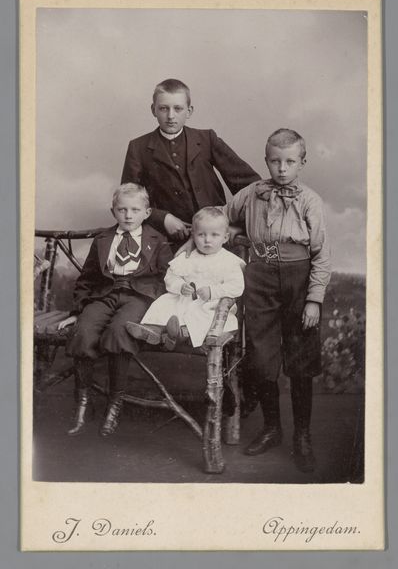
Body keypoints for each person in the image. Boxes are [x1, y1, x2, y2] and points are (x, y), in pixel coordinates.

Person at [224, 128, 331, 472]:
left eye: (290, 162)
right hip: (259, 279)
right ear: (266, 160)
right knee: (261, 355)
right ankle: (272, 428)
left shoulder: (310, 200)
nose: (282, 169)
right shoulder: (251, 194)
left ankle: (302, 436)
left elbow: (321, 254)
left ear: (302, 162)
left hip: (299, 279)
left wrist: (314, 300)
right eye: (275, 161)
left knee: (300, 359)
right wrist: (227, 230)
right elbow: (221, 215)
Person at [57, 183, 172, 437]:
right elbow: (87, 278)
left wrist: (156, 306)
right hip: (105, 294)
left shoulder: (157, 240)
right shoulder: (103, 240)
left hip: (138, 297)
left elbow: (167, 278)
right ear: (113, 212)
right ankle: (82, 403)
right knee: (83, 332)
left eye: (135, 210)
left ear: (147, 212)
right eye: (122, 210)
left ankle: (114, 404)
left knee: (120, 331)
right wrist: (77, 311)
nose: (128, 215)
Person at [121, 78, 260, 242]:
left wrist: (238, 224)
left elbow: (251, 186)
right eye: (164, 108)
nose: (171, 116)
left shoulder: (207, 139)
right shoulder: (138, 147)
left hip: (214, 234)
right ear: (153, 110)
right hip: (167, 238)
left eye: (178, 108)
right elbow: (127, 199)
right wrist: (162, 218)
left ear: (189, 111)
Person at [126, 207, 245, 350]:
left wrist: (212, 291)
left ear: (225, 237)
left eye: (214, 235)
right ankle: (153, 329)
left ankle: (175, 335)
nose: (207, 240)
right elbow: (171, 277)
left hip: (211, 303)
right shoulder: (187, 256)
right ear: (193, 235)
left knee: (201, 316)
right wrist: (180, 286)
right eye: (201, 235)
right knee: (165, 303)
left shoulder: (229, 261)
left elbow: (236, 286)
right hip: (185, 299)